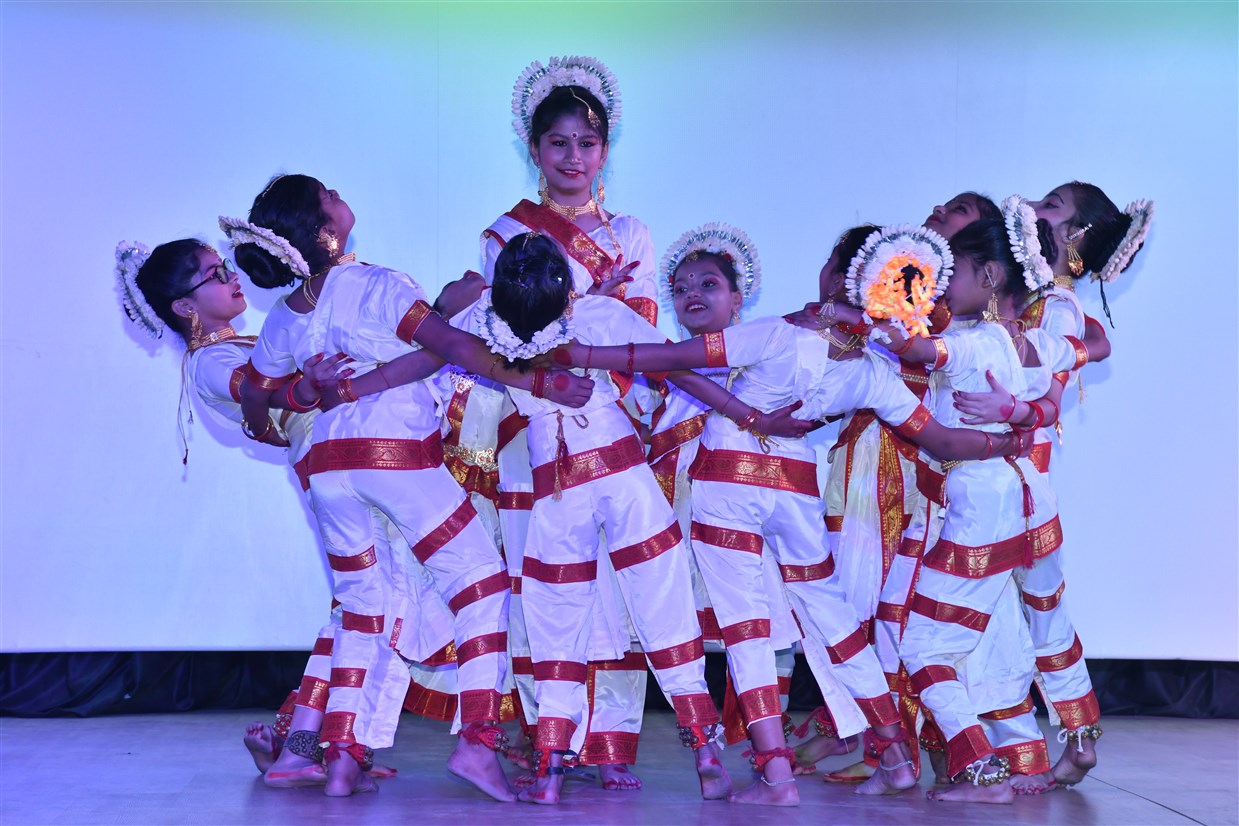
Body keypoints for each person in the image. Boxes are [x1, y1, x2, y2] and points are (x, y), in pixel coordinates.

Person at [553, 223, 1049, 805]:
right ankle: (894, 757)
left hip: (728, 486)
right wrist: (1012, 438)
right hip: (795, 491)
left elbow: (664, 357)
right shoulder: (872, 371)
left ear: (842, 279)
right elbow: (940, 439)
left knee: (747, 626)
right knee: (834, 619)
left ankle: (776, 775)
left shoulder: (777, 335)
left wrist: (577, 352)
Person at [227, 174, 591, 799]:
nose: (341, 195)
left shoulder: (285, 316)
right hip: (392, 456)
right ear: (324, 228)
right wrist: (539, 381)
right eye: (330, 194)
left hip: (326, 471)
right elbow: (451, 348)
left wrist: (301, 399)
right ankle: (478, 743)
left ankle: (341, 760)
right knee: (481, 586)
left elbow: (256, 401)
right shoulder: (378, 284)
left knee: (362, 608)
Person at [873, 218, 1109, 803]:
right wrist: (1019, 413)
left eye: (953, 272)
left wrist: (887, 308)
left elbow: (918, 349)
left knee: (923, 648)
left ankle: (983, 770)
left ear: (991, 275)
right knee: (1049, 619)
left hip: (983, 506)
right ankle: (1080, 736)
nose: (943, 285)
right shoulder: (1031, 341)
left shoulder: (976, 341)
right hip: (1032, 498)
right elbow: (1094, 348)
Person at [479, 56, 660, 790]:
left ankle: (610, 743)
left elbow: (643, 339)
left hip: (610, 422)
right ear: (533, 148)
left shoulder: (631, 234)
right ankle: (549, 734)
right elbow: (508, 334)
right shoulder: (506, 235)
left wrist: (593, 317)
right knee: (544, 584)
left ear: (605, 149)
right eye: (558, 143)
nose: (573, 157)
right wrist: (589, 298)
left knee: (617, 582)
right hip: (534, 424)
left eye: (586, 143)